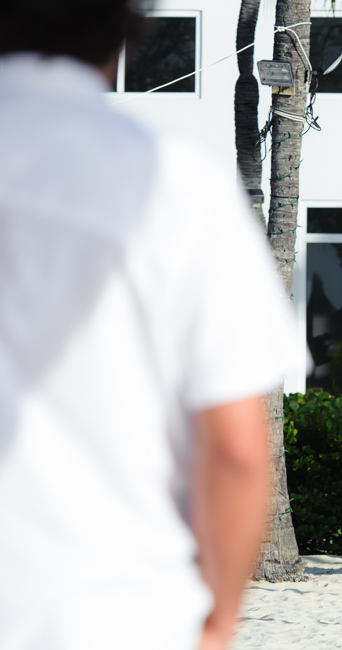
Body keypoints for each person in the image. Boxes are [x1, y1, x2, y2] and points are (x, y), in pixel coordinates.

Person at [0, 2, 294, 648]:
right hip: (118, 614)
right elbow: (239, 451)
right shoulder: (178, 184)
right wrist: (217, 621)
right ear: (119, 33)